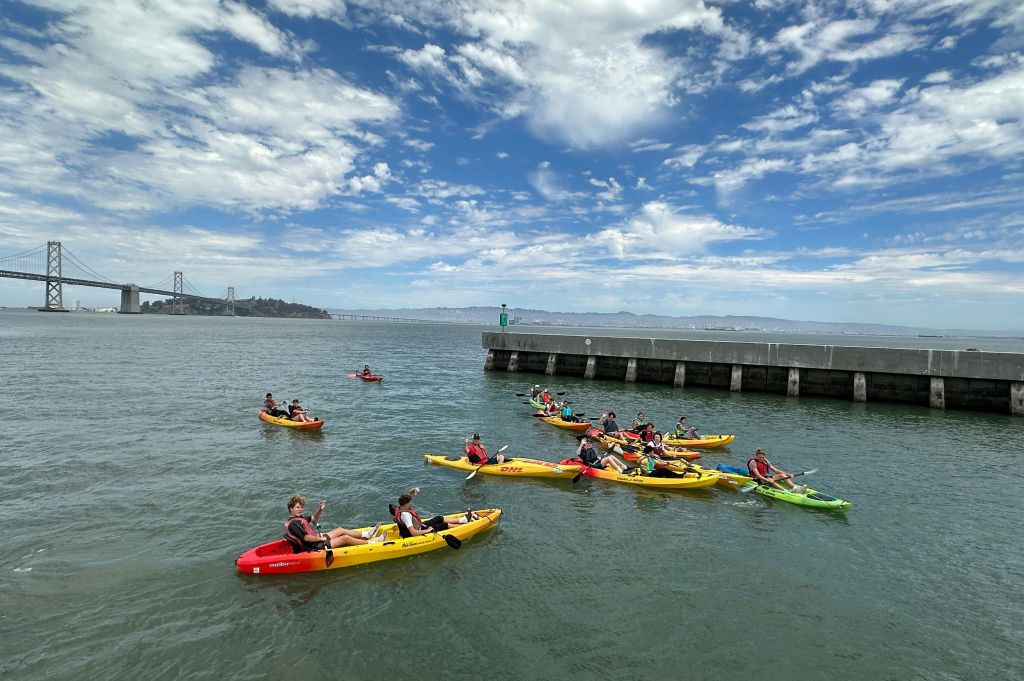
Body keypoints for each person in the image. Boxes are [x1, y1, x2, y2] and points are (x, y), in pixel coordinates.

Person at [283, 496, 385, 552]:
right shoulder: (294, 524)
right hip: (313, 547)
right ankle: (373, 543)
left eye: (301, 507)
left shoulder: (299, 518)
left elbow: (314, 518)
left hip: (316, 540)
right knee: (345, 538)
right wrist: (321, 538)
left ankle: (367, 535)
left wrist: (320, 509)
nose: (300, 509)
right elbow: (306, 538)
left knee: (340, 530)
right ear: (291, 509)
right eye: (297, 507)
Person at [392, 487, 476, 538]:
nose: (411, 503)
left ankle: (463, 520)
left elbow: (407, 495)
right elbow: (413, 532)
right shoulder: (405, 515)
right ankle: (464, 527)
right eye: (410, 502)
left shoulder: (401, 506)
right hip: (418, 532)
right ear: (406, 503)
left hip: (420, 526)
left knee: (439, 518)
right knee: (443, 525)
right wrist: (428, 530)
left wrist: (413, 490)